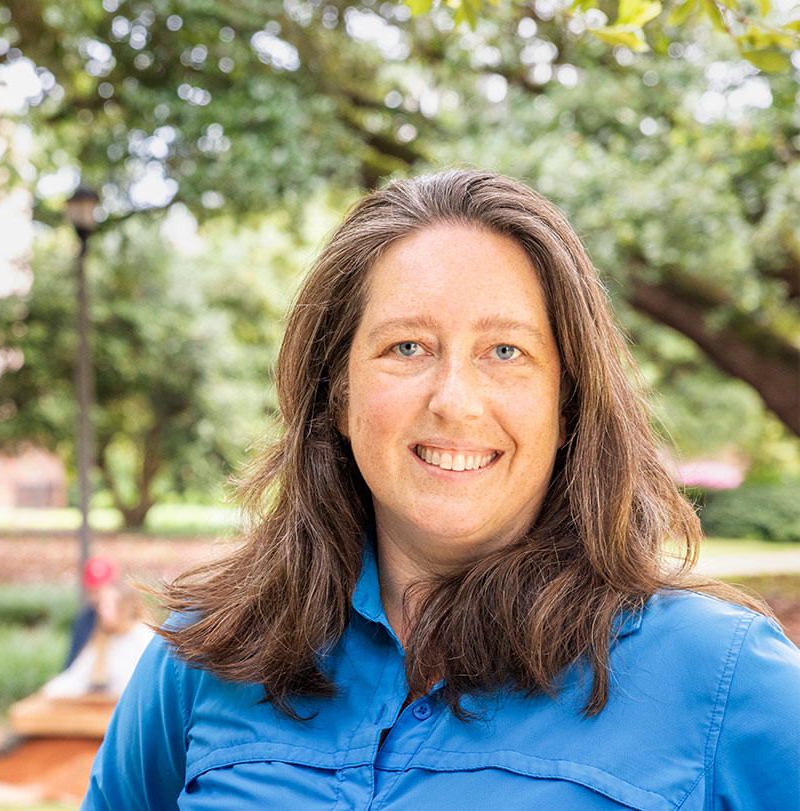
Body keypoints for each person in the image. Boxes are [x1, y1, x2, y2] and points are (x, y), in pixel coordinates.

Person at [85, 170, 800, 809]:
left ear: (566, 405)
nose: (454, 400)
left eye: (506, 351)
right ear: (337, 392)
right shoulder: (207, 656)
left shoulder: (721, 678)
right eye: (406, 347)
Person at [42, 577, 155, 700]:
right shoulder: (102, 639)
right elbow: (77, 677)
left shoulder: (144, 637)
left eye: (107, 605)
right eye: (101, 604)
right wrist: (51, 689)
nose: (101, 610)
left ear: (124, 606)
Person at [65, 556, 122, 668]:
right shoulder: (85, 621)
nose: (97, 598)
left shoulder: (133, 623)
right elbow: (72, 664)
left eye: (100, 590)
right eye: (92, 592)